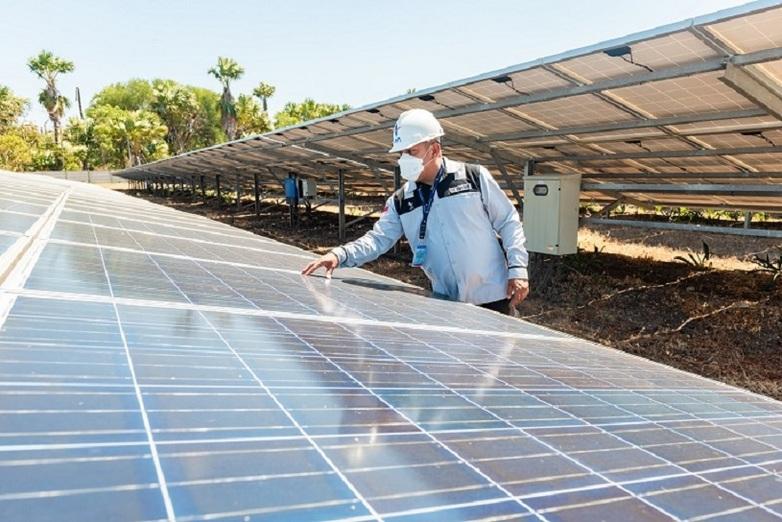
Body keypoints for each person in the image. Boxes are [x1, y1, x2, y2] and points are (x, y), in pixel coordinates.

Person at [301, 108, 529, 315]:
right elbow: (378, 239)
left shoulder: (473, 177)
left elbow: (508, 220)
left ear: (435, 149)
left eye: (412, 151)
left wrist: (518, 269)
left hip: (493, 296)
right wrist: (340, 255)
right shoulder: (402, 200)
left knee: (494, 360)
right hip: (446, 303)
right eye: (401, 153)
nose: (404, 159)